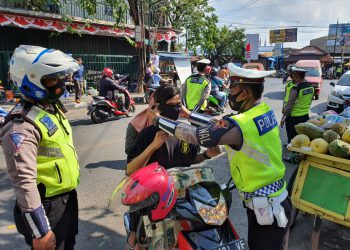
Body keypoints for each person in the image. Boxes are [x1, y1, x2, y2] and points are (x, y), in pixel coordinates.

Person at [153, 63, 291, 250]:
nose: (229, 91)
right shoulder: (262, 110)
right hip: (277, 200)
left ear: (245, 93)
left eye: (233, 87)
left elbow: (198, 135)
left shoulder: (241, 124)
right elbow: (220, 125)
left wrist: (158, 120)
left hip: (267, 210)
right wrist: (190, 115)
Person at [1, 45, 80, 249]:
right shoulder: (21, 125)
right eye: (53, 79)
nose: (61, 84)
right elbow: (24, 181)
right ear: (33, 81)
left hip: (66, 198)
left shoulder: (47, 108)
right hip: (46, 207)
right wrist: (40, 231)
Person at [125, 84, 221, 249]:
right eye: (171, 106)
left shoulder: (185, 132)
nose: (176, 109)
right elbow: (130, 169)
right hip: (155, 200)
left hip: (182, 199)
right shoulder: (149, 133)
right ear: (161, 107)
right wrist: (153, 146)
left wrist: (206, 155)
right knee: (138, 243)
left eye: (179, 105)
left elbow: (190, 160)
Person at [280, 66, 313, 144]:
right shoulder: (310, 86)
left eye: (293, 76)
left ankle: (292, 153)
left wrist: (283, 118)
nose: (292, 78)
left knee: (292, 139)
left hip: (293, 118)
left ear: (296, 76)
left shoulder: (295, 89)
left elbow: (289, 105)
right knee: (301, 137)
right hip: (305, 116)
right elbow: (310, 101)